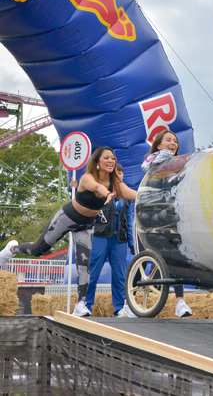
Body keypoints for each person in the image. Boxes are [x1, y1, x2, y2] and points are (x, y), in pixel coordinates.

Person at [0, 146, 137, 316]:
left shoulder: (116, 184)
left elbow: (133, 194)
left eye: (113, 158)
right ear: (97, 163)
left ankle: (80, 304)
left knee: (83, 265)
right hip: (67, 218)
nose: (111, 161)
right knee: (38, 250)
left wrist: (151, 195)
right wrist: (107, 193)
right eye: (107, 158)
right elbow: (96, 188)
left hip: (86, 225)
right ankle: (11, 250)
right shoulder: (87, 178)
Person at [141, 129, 192, 318]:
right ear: (159, 144)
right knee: (149, 261)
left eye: (176, 141)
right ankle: (132, 300)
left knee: (176, 258)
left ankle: (180, 302)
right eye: (168, 140)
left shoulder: (180, 165)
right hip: (150, 217)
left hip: (172, 216)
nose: (173, 143)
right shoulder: (152, 165)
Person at [84, 163, 136, 318]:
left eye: (121, 173)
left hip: (119, 240)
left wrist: (132, 242)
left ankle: (120, 307)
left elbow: (129, 219)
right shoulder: (98, 190)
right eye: (116, 172)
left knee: (120, 275)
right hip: (100, 237)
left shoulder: (126, 197)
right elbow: (82, 205)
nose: (119, 175)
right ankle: (86, 305)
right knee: (93, 272)